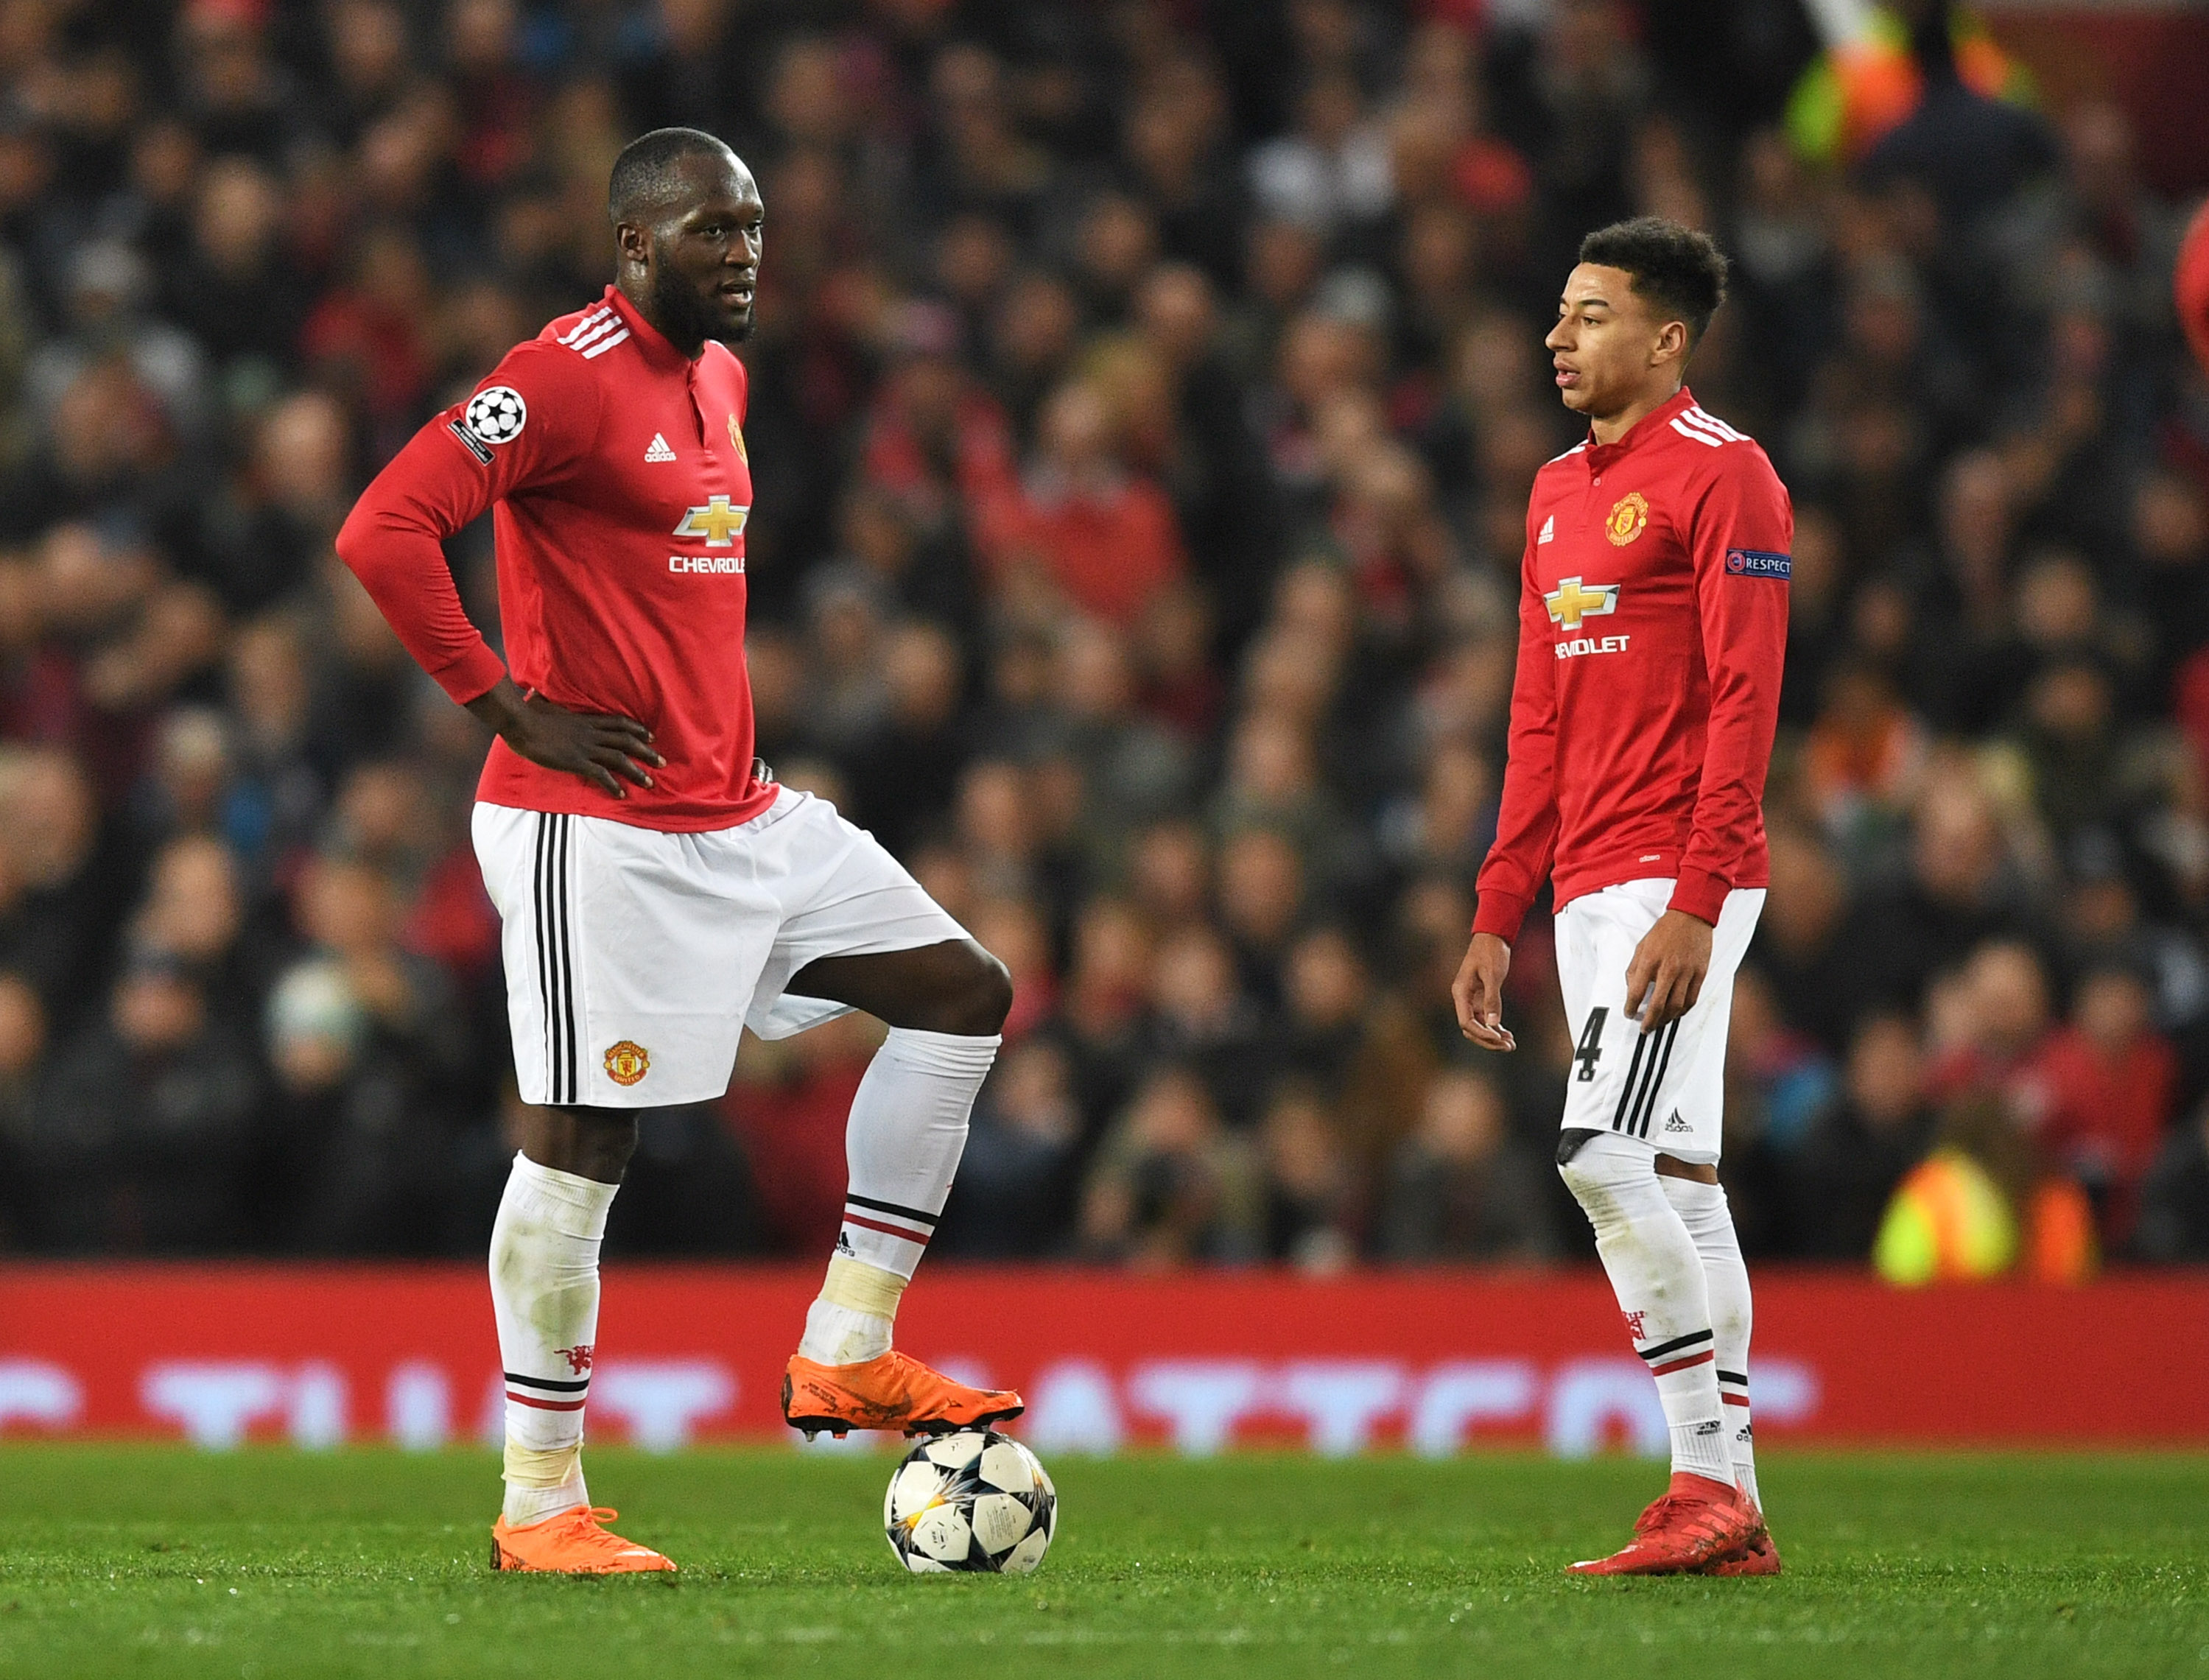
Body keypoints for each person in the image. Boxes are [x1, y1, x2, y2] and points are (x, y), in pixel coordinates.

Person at [336, 128, 1019, 1575]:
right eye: (715, 230)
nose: (746, 253)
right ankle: (541, 1503)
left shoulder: (723, 380)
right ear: (637, 243)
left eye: (754, 226)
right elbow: (385, 528)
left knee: (964, 992)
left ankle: (847, 1344)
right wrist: (506, 704)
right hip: (592, 829)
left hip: (741, 814)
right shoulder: (559, 376)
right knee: (582, 1146)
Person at [1450, 218, 1791, 1577]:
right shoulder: (1552, 492)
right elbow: (1537, 716)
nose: (1558, 337)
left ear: (1667, 338)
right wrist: (1499, 907)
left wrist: (1698, 898)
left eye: (1590, 315)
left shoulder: (1728, 476)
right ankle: (1733, 1506)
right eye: (1558, 313)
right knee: (1682, 1176)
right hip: (1588, 881)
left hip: (1677, 874)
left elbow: (1747, 700)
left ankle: (1703, 1478)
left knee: (1600, 1156)